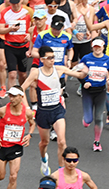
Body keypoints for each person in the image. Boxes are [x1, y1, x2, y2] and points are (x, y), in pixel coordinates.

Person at [21, 45, 79, 175]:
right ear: (42, 59)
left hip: (58, 110)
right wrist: (27, 108)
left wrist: (87, 70)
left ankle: (60, 172)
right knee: (44, 142)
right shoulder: (36, 73)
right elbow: (21, 89)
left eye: (53, 57)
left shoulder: (59, 69)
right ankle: (43, 159)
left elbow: (78, 74)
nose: (52, 60)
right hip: (43, 112)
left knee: (62, 141)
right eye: (49, 58)